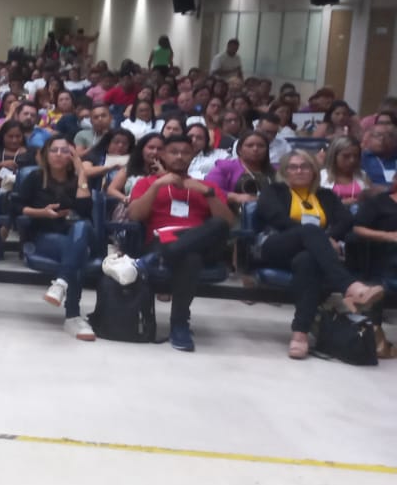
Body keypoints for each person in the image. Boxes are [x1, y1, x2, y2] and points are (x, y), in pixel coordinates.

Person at [255, 149, 383, 359]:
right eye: (293, 167)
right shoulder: (274, 190)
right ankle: (351, 287)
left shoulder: (325, 195)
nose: (299, 171)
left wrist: (326, 238)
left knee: (307, 262)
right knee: (310, 232)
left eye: (305, 166)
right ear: (285, 172)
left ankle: (300, 334)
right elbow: (276, 218)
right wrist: (319, 237)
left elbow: (344, 221)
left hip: (311, 253)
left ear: (314, 171)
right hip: (276, 245)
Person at [127, 133, 235, 352]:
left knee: (218, 226)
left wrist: (208, 193)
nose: (179, 157)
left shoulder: (206, 186)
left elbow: (228, 223)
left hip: (201, 242)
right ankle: (179, 324)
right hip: (161, 240)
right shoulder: (147, 183)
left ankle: (153, 261)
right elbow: (135, 216)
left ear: (193, 156)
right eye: (173, 152)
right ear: (164, 155)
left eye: (185, 152)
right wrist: (157, 186)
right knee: (190, 257)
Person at [18, 135, 97, 341]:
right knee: (77, 253)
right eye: (54, 150)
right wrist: (41, 212)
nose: (59, 155)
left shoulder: (76, 179)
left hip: (75, 235)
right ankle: (72, 316)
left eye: (65, 151)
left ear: (73, 156)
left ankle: (60, 283)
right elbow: (16, 208)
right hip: (44, 236)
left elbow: (85, 210)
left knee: (81, 226)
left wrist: (82, 174)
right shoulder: (35, 178)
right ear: (46, 154)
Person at [208, 130, 275, 207]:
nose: (255, 149)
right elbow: (210, 189)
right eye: (250, 145)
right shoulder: (225, 167)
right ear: (239, 150)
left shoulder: (275, 171)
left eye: (261, 146)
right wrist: (235, 197)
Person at [320, 136, 370, 204]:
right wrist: (341, 203)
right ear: (334, 156)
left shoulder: (363, 175)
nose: (352, 160)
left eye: (356, 156)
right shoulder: (321, 176)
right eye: (346, 156)